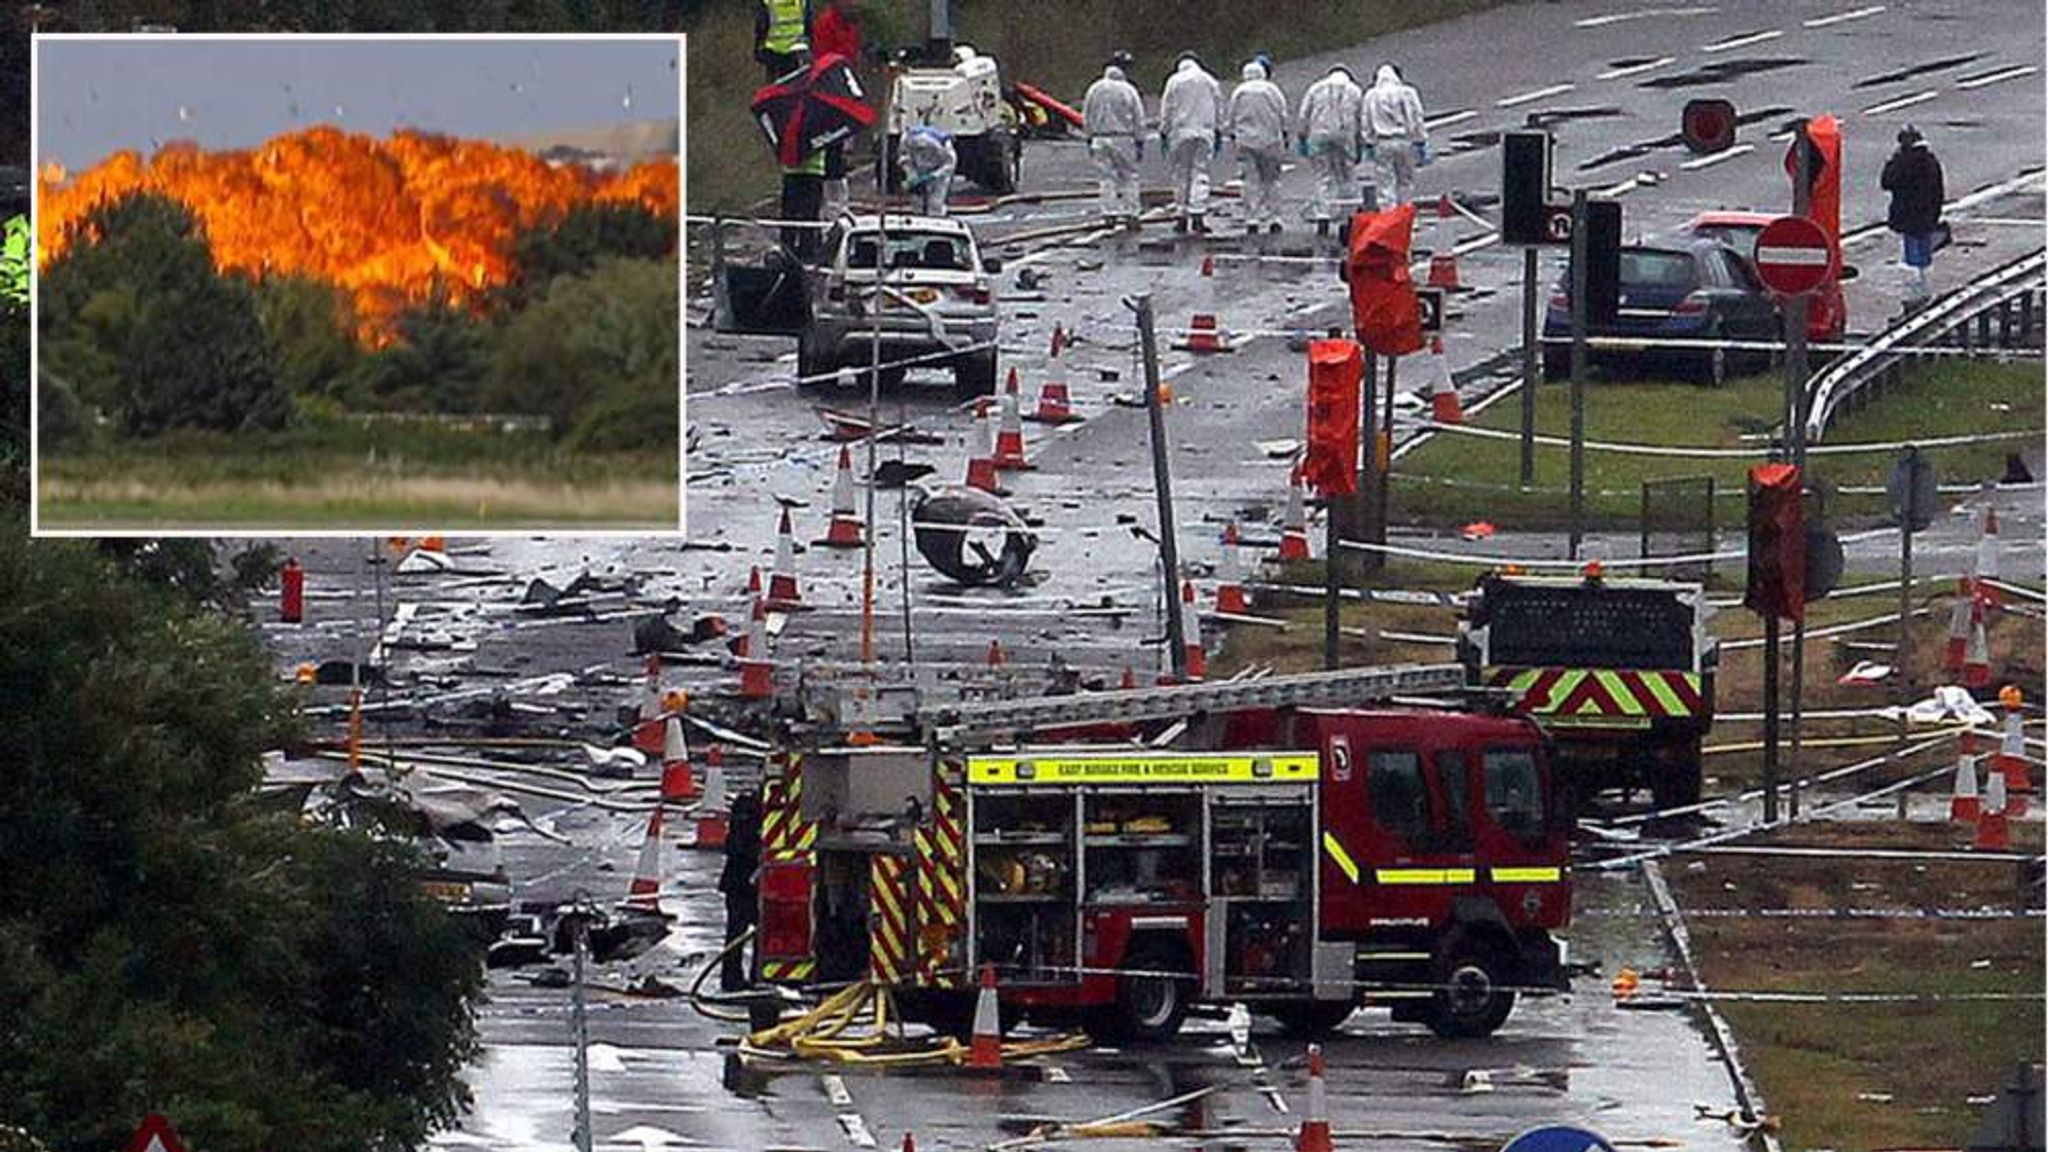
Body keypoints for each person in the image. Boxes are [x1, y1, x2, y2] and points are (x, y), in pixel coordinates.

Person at [1881, 124, 1945, 309]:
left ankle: (1915, 291)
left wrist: (1891, 162)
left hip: (1907, 213)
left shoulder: (1902, 161)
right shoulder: (1931, 161)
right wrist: (1935, 212)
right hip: (1926, 214)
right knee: (1923, 249)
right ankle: (1925, 285)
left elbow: (1887, 181)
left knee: (1911, 250)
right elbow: (1938, 190)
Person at [1159, 51, 1224, 234]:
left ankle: (1181, 214)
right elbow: (1219, 106)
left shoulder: (1174, 81)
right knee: (1200, 172)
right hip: (1204, 131)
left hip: (1180, 132)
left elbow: (1167, 108)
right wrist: (1218, 129)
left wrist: (1164, 131)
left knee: (1181, 173)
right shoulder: (1209, 80)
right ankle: (1198, 215)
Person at [812, 0, 863, 220]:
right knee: (832, 150)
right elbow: (824, 62)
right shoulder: (825, 25)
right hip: (830, 93)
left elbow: (852, 57)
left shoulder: (850, 25)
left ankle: (838, 203)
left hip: (845, 90)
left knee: (840, 149)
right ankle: (832, 206)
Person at [1297, 64, 1363, 234]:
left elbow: (1304, 114)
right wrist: (1360, 143)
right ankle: (1349, 217)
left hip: (1319, 136)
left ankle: (1323, 217)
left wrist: (1302, 137)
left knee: (1323, 176)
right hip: (1345, 135)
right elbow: (1361, 119)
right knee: (1347, 175)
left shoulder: (1315, 88)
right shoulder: (1354, 91)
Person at [1082, 52, 1145, 229]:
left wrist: (1089, 137)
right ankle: (1131, 213)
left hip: (1099, 138)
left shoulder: (1094, 89)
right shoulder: (1128, 90)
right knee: (1129, 176)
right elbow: (1138, 118)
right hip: (1124, 138)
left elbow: (1086, 116)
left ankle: (1109, 213)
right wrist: (1140, 141)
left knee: (1106, 178)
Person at [1226, 58, 1289, 235]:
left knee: (1250, 181)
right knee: (1272, 180)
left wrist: (1233, 134)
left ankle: (1251, 219)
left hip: (1245, 142)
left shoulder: (1239, 92)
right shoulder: (1272, 90)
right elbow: (1282, 114)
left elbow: (1231, 117)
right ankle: (1274, 218)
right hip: (1270, 141)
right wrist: (1284, 133)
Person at [1361, 63, 1427, 209]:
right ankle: (1407, 216)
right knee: (1406, 182)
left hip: (1382, 143)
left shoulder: (1371, 95)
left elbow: (1366, 121)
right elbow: (1417, 116)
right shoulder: (1408, 92)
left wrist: (1368, 142)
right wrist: (1420, 140)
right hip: (1404, 141)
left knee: (1385, 184)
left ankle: (1389, 218)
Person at [718, 790, 764, 991]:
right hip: (743, 881)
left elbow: (731, 845)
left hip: (739, 881)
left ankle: (734, 977)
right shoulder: (750, 809)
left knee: (738, 932)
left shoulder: (745, 807)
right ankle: (751, 977)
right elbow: (735, 846)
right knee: (746, 932)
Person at [900, 123, 957, 216]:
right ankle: (918, 218)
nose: (922, 154)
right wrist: (911, 175)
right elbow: (904, 159)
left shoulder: (945, 145)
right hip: (917, 170)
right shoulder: (906, 140)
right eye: (919, 150)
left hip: (939, 173)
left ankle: (936, 218)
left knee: (935, 203)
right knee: (917, 201)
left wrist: (935, 175)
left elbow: (950, 164)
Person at [754, 0, 814, 81]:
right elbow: (809, 22)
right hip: (798, 50)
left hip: (774, 51)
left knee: (774, 90)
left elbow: (761, 25)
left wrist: (759, 47)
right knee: (798, 86)